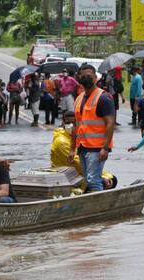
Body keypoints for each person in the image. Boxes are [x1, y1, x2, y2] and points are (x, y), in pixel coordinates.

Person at [68, 64, 116, 192]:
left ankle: (100, 208)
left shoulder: (103, 98)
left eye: (89, 76)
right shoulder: (78, 98)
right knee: (88, 179)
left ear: (95, 78)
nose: (86, 78)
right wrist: (72, 149)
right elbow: (76, 125)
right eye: (83, 76)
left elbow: (110, 123)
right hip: (83, 147)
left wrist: (105, 148)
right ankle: (106, 184)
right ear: (79, 78)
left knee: (93, 181)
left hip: (97, 148)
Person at [52, 111, 117, 190]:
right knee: (99, 182)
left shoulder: (76, 136)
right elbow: (78, 163)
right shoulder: (61, 141)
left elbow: (89, 161)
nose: (71, 125)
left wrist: (107, 176)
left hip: (76, 173)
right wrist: (103, 177)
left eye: (74, 122)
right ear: (63, 123)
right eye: (68, 122)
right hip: (67, 176)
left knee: (112, 179)